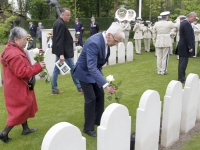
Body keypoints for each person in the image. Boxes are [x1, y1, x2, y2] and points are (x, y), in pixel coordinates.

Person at [73, 22, 125, 137]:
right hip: (84, 72)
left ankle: (98, 120)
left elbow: (98, 65)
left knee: (100, 94)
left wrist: (103, 83)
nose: (116, 44)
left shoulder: (107, 43)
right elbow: (91, 67)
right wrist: (106, 85)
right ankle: (88, 128)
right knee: (91, 98)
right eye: (116, 41)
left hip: (93, 72)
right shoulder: (94, 42)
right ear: (109, 35)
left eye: (118, 42)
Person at [0, 27, 45, 143]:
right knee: (21, 108)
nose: (26, 42)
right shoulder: (15, 54)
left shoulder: (10, 48)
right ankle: (4, 133)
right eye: (24, 39)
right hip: (17, 87)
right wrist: (38, 66)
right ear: (16, 39)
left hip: (14, 85)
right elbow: (22, 72)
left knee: (25, 106)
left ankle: (25, 129)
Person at [51, 8, 83, 94]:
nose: (69, 17)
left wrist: (72, 40)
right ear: (62, 14)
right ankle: (79, 87)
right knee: (73, 68)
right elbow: (59, 40)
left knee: (56, 70)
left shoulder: (57, 22)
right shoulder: (61, 24)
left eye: (70, 15)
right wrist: (61, 54)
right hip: (63, 52)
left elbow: (62, 38)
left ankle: (54, 89)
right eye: (68, 15)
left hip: (61, 50)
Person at [177, 12, 197, 84]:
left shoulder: (185, 23)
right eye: (194, 18)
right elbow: (187, 36)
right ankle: (181, 78)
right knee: (183, 63)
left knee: (182, 63)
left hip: (183, 45)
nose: (194, 19)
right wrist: (190, 47)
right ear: (190, 17)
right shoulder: (186, 24)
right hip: (184, 46)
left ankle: (181, 77)